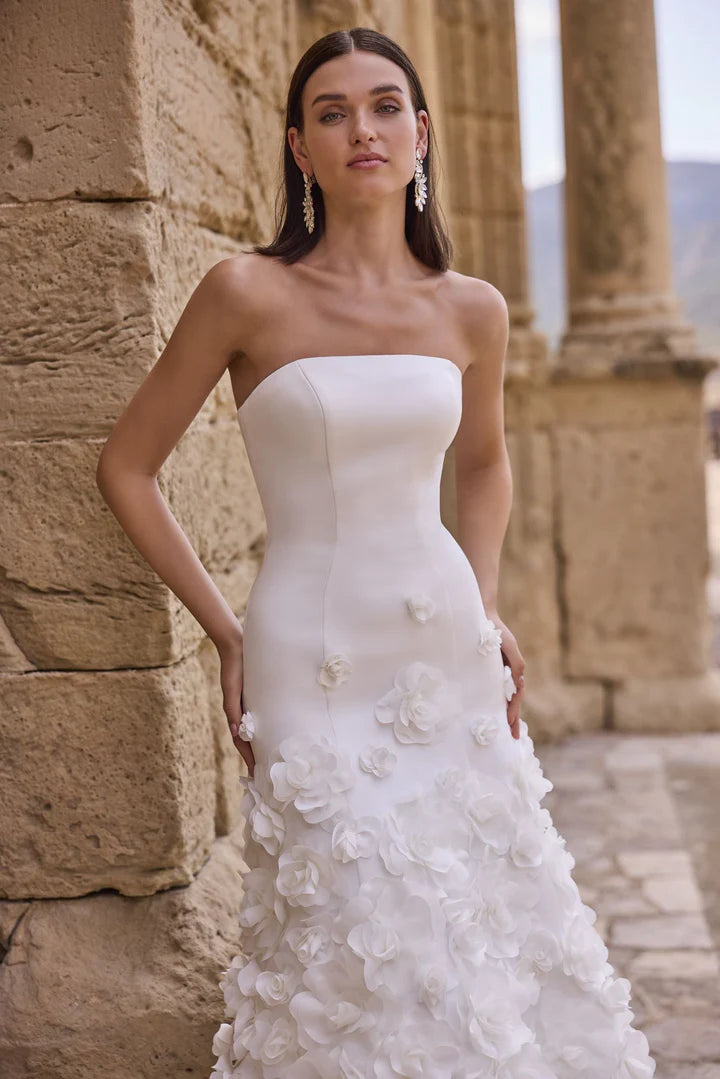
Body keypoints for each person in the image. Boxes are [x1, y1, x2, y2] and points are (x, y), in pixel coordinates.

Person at [96, 25, 656, 1079]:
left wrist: (483, 607)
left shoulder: (472, 309)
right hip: (308, 653)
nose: (364, 128)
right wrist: (225, 633)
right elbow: (126, 467)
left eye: (386, 106)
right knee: (351, 926)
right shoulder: (244, 293)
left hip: (442, 647)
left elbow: (482, 465)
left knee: (471, 916)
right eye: (334, 112)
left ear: (421, 134)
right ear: (299, 148)